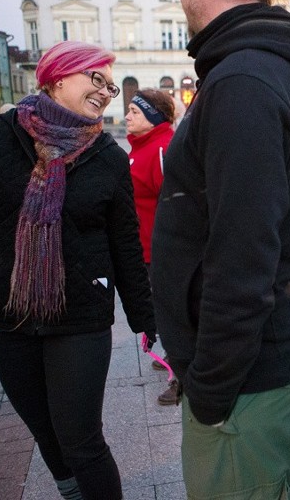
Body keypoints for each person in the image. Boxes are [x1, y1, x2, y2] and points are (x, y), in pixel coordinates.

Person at [0, 41, 156, 500]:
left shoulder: (107, 156)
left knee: (81, 438)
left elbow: (125, 245)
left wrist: (148, 322)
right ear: (56, 76)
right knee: (47, 435)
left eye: (110, 86)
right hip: (4, 314)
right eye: (96, 78)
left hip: (79, 316)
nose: (105, 91)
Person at [150, 0, 290, 497]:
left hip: (241, 385)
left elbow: (243, 259)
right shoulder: (249, 70)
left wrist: (210, 390)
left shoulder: (243, 81)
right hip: (245, 375)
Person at [124, 88, 179, 406]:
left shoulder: (162, 149)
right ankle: (175, 354)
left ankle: (182, 376)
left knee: (173, 313)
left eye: (134, 111)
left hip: (163, 253)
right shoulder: (139, 147)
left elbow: (175, 206)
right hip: (145, 250)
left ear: (153, 116)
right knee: (161, 311)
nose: (127, 116)